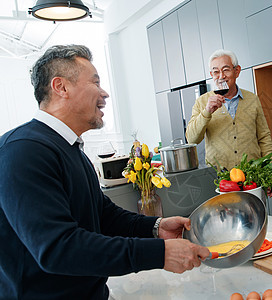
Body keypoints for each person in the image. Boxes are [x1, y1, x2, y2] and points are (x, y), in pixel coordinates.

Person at [0, 45, 210, 299]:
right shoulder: (24, 151)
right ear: (61, 87)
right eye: (95, 82)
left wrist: (155, 227)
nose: (105, 93)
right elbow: (58, 248)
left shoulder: (70, 148)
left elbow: (102, 214)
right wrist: (159, 253)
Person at [185, 49, 272, 196]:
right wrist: (207, 111)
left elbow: (264, 137)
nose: (221, 76)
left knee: (257, 216)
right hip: (221, 181)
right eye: (215, 72)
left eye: (226, 70)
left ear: (237, 71)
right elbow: (191, 139)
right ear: (211, 75)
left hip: (252, 178)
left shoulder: (252, 99)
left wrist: (269, 173)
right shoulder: (202, 102)